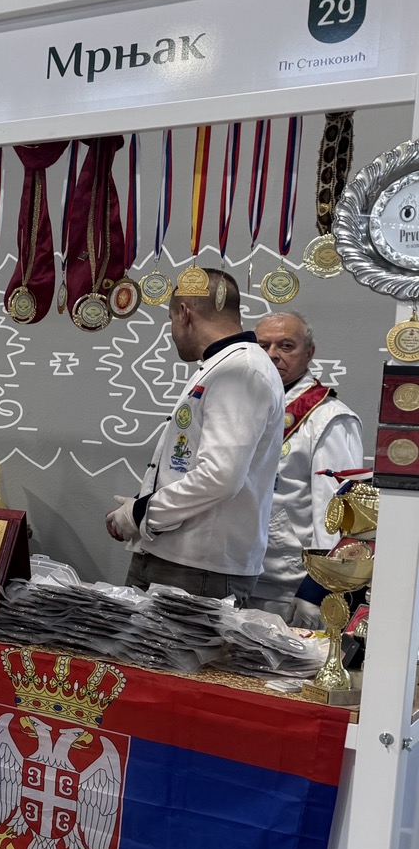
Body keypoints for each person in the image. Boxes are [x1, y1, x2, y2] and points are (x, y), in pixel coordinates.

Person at [105, 268, 282, 601]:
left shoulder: (241, 371)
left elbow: (220, 477)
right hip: (178, 557)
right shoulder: (223, 366)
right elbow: (191, 464)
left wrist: (142, 513)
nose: (173, 332)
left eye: (171, 318)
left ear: (184, 313)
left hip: (199, 568)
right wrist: (142, 506)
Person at [248, 311, 364, 626]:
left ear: (309, 353)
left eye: (286, 346)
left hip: (289, 589)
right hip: (234, 575)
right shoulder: (243, 407)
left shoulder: (329, 419)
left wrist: (317, 587)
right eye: (263, 346)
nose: (273, 354)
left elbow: (336, 513)